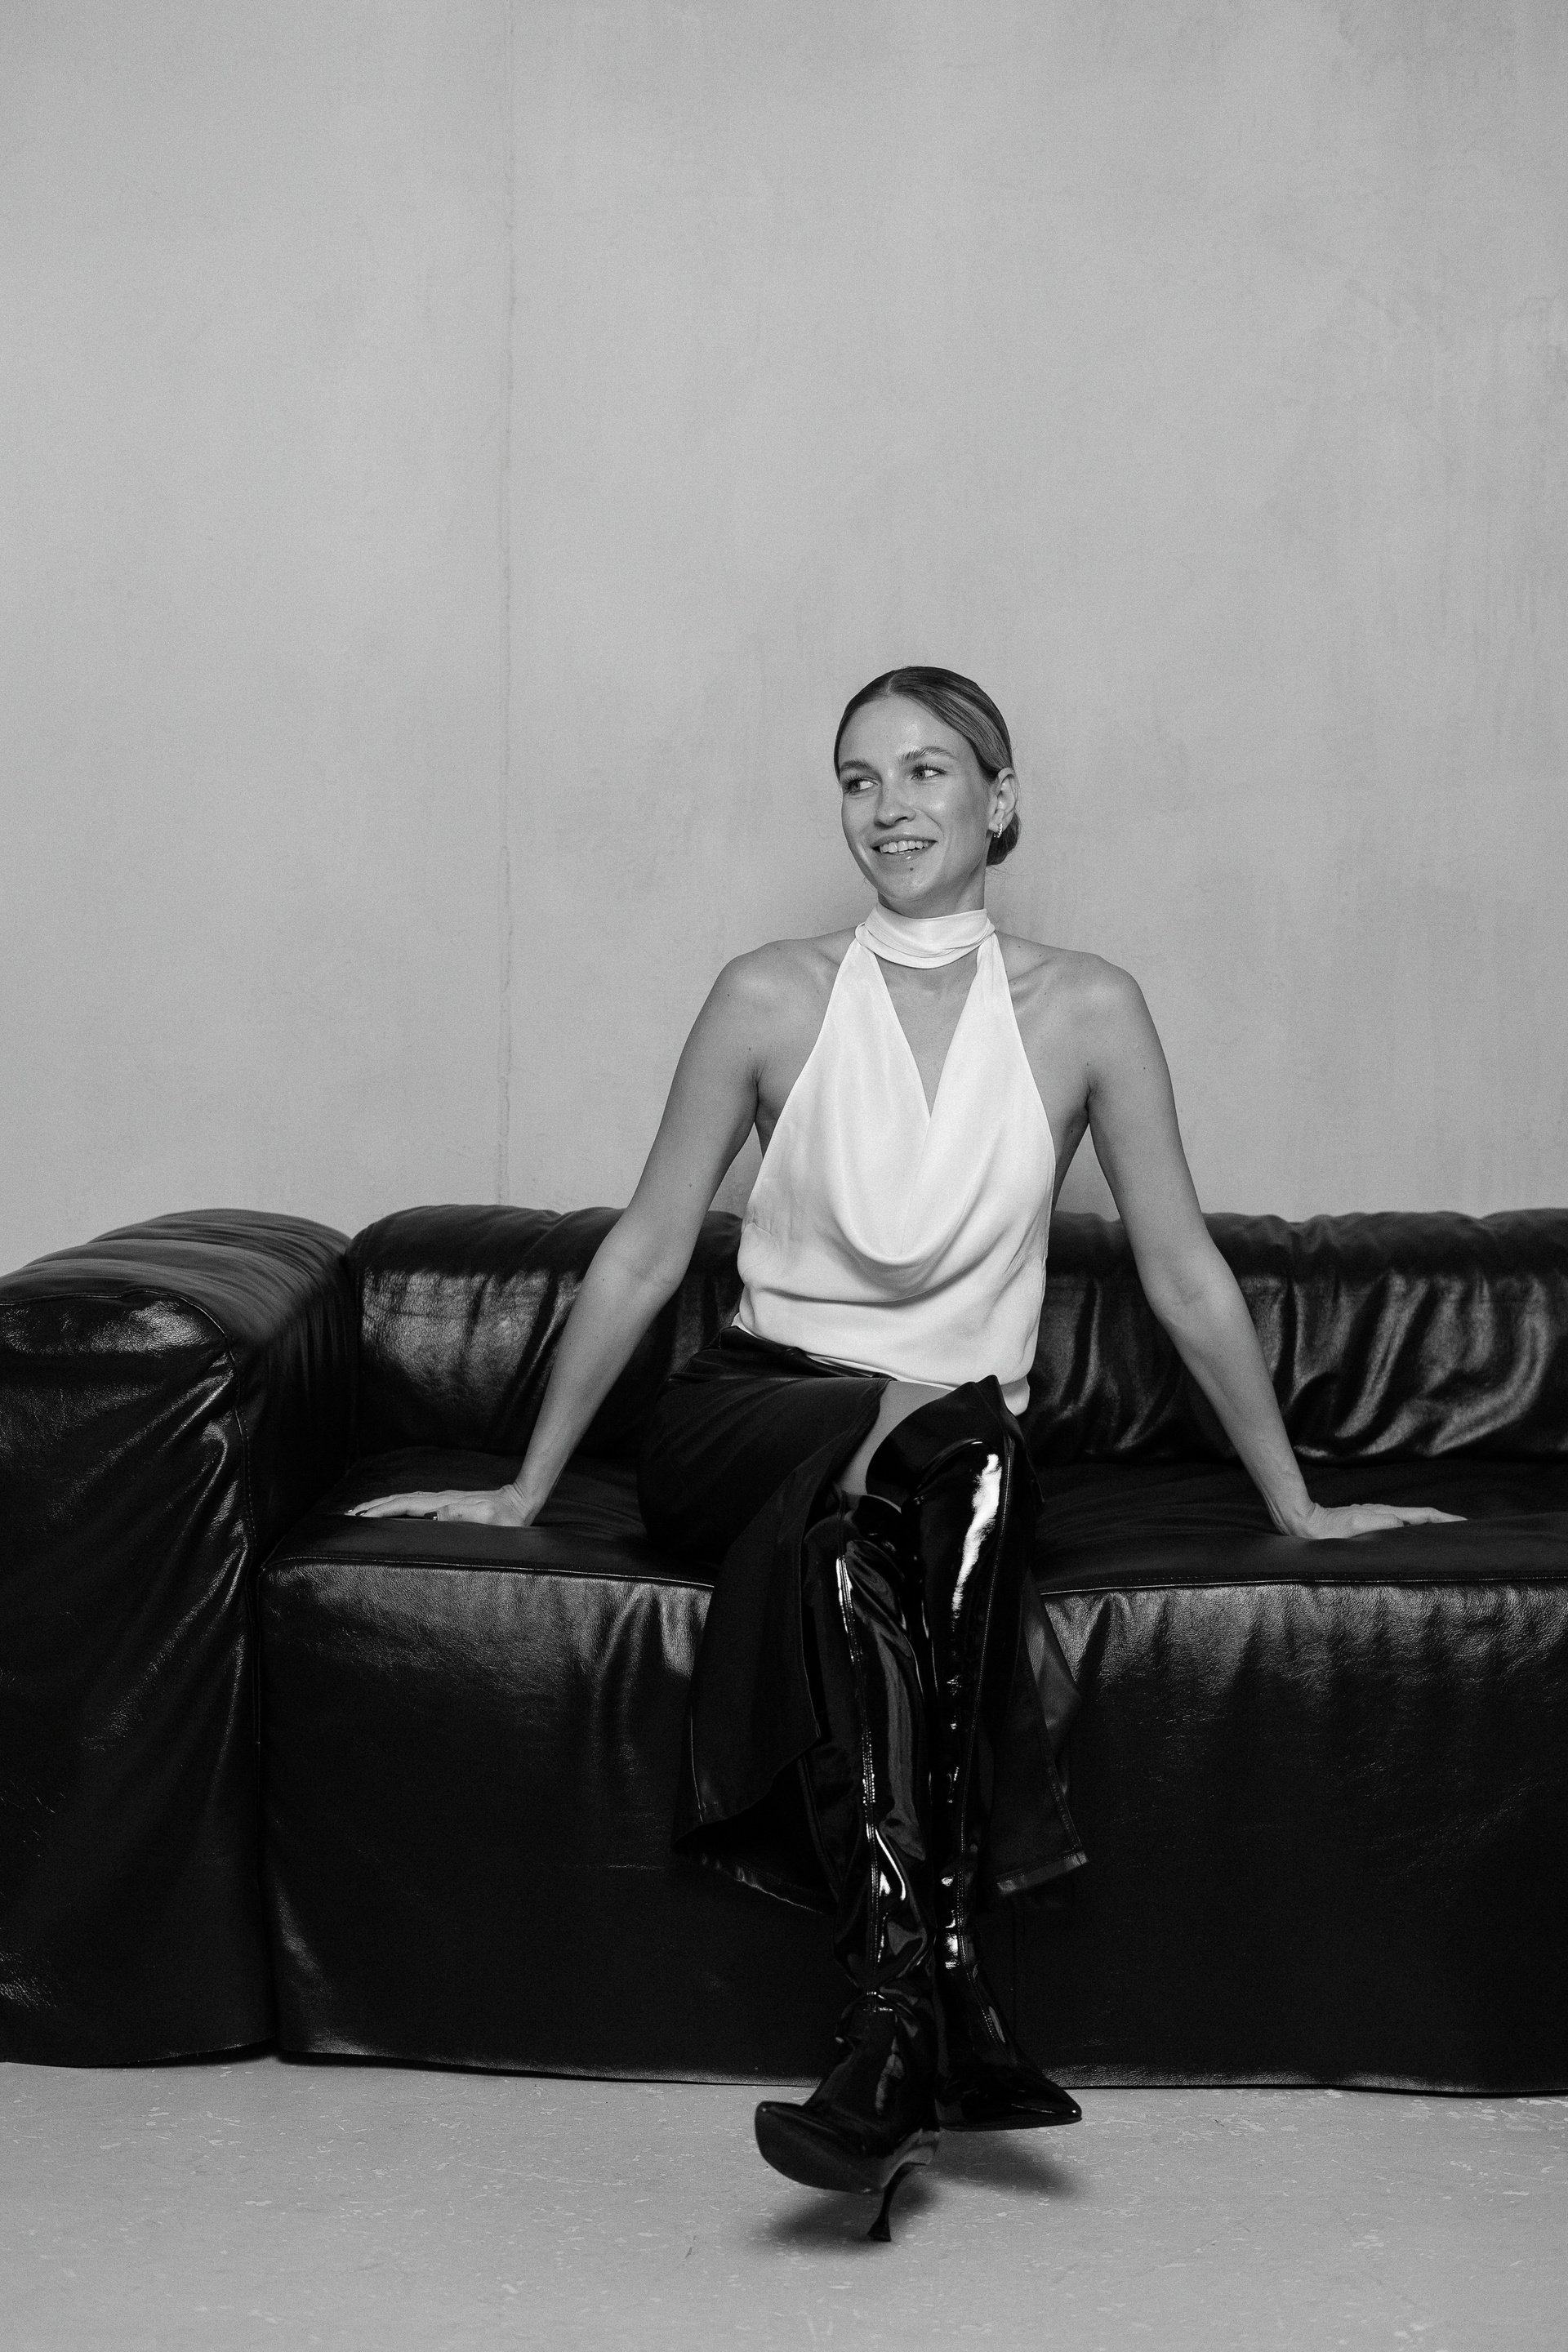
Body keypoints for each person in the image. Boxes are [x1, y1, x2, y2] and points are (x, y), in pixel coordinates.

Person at [352, 666, 1458, 2238]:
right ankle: (952, 1985)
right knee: (960, 1441)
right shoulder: (766, 996)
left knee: (901, 1514)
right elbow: (648, 1249)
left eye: (927, 771)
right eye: (859, 779)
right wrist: (527, 1485)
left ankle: (892, 2026)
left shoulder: (1089, 1010)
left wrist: (1302, 1505)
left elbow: (1182, 1271)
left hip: (939, 1466)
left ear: (1000, 800)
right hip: (754, 1411)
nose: (889, 806)